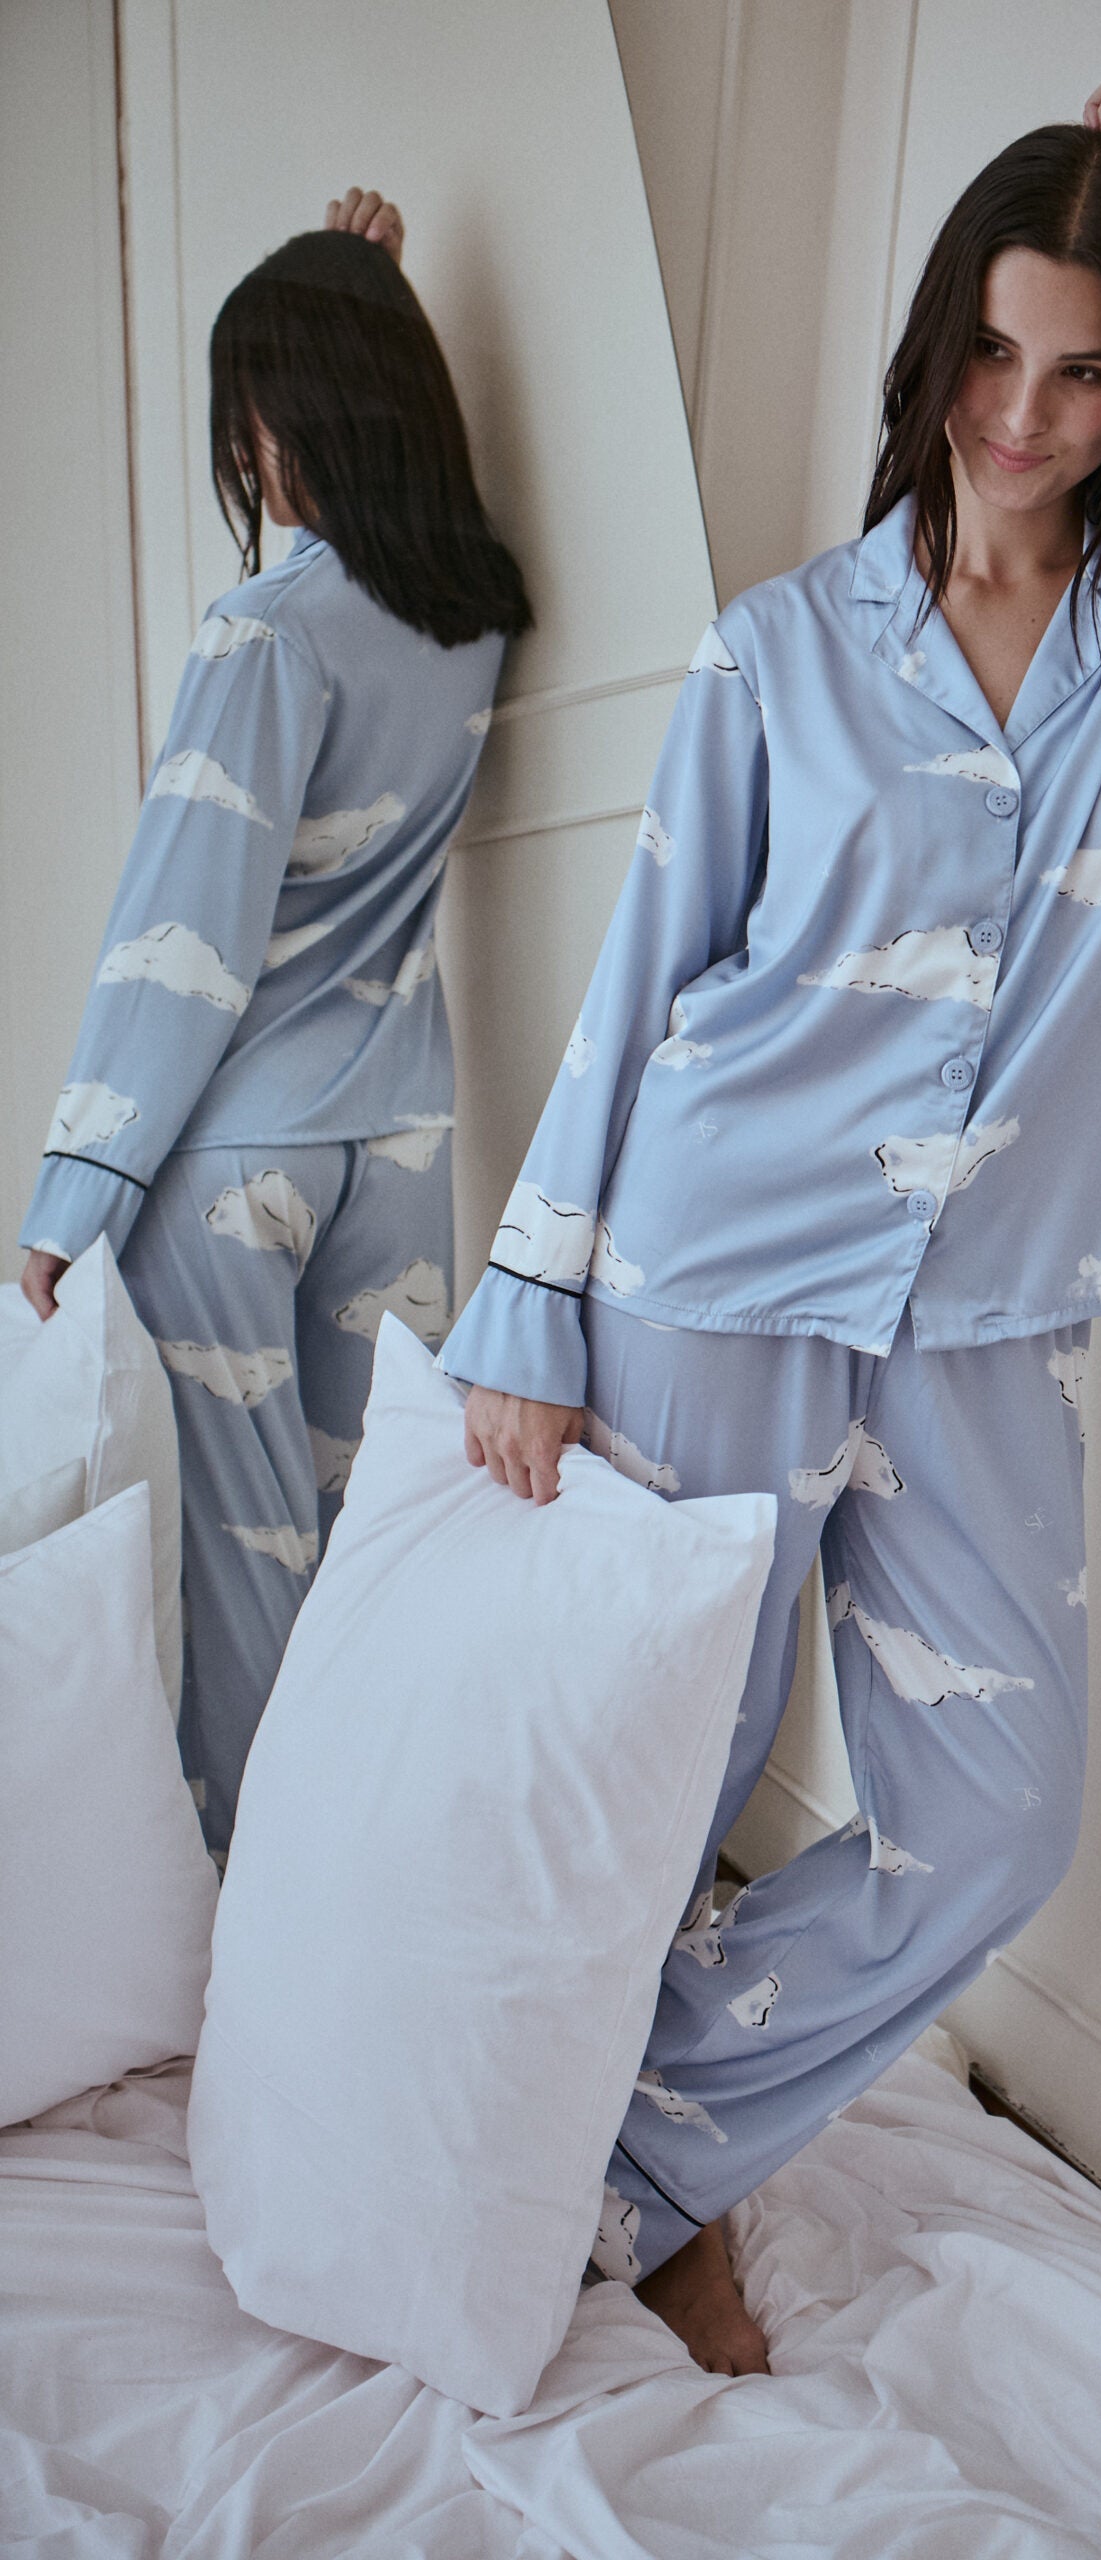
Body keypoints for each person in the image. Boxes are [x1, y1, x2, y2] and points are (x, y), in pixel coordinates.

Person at [438, 72, 1101, 2372]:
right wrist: (529, 1301)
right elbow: (641, 988)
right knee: (659, 1778)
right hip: (712, 1266)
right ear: (931, 356)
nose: (1021, 417)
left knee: (995, 1813)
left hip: (992, 1310)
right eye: (991, 356)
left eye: (1084, 366)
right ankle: (558, 2168)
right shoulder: (779, 651)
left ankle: (642, 2146)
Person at [18, 190, 532, 1858]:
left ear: (286, 423)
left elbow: (178, 948)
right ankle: (376, 1881)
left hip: (236, 1164)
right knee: (368, 1542)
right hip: (393, 1148)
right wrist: (362, 288)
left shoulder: (262, 638)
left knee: (245, 1580)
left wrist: (65, 1205)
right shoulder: (472, 625)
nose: (248, 450)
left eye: (254, 414)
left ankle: (263, 1925)